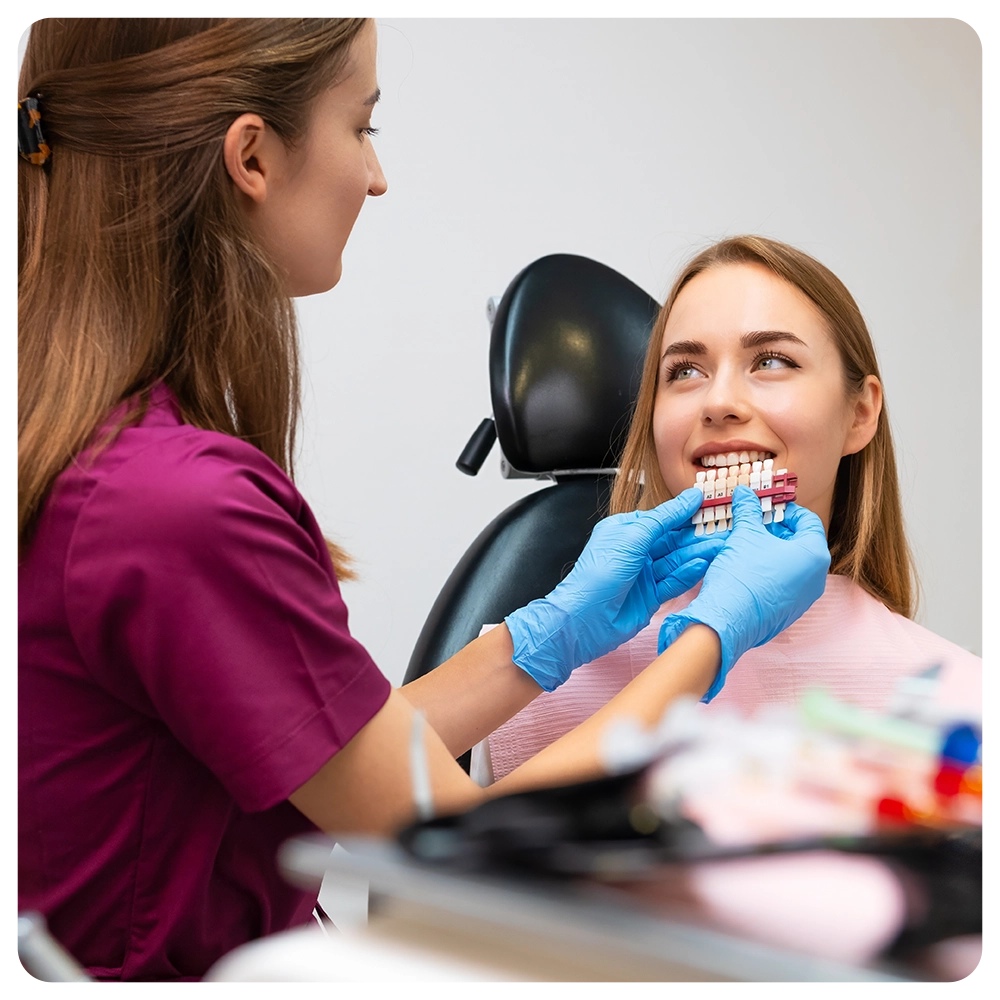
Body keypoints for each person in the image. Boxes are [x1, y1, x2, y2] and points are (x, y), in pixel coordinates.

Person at [15, 20, 832, 984]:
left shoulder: (105, 455)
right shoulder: (176, 507)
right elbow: (469, 848)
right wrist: (708, 640)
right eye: (363, 127)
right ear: (251, 155)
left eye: (774, 360)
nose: (376, 176)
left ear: (863, 408)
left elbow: (340, 753)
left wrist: (546, 634)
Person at [478, 235, 983, 784]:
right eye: (685, 372)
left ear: (860, 413)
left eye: (771, 361)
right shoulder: (511, 689)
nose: (718, 403)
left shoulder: (966, 706)